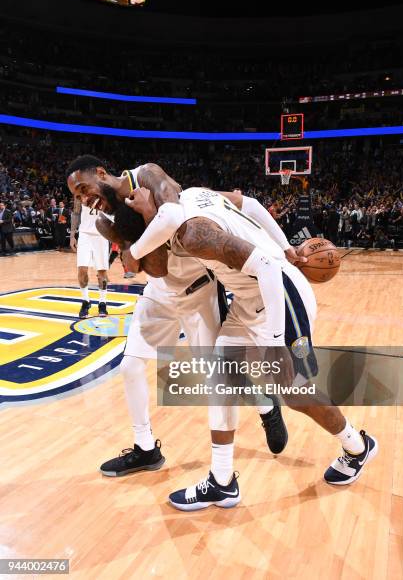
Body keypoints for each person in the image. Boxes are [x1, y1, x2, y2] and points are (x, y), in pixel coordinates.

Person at [120, 183, 378, 511]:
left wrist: (272, 342)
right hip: (248, 299)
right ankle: (222, 481)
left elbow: (268, 269)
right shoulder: (194, 193)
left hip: (280, 295)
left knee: (296, 393)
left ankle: (358, 446)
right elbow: (252, 204)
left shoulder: (194, 233)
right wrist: (285, 245)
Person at [65, 155, 289, 478]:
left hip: (199, 291)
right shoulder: (105, 221)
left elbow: (172, 217)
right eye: (78, 197)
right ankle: (145, 449)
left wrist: (146, 215)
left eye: (84, 188)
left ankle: (265, 405)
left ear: (101, 173)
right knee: (130, 366)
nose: (85, 200)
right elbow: (156, 268)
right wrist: (136, 237)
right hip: (159, 292)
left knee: (221, 375)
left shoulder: (149, 175)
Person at [70, 197, 110, 318]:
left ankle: (102, 303)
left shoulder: (105, 189)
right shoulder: (80, 191)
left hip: (102, 234)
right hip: (84, 234)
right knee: (82, 270)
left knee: (102, 272)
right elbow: (76, 213)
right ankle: (86, 301)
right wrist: (72, 235)